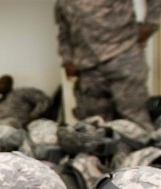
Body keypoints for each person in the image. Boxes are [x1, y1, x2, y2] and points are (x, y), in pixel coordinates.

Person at [55, 0, 160, 130]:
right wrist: (67, 59)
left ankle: (145, 150)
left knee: (134, 120)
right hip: (87, 67)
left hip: (124, 56)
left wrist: (150, 24)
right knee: (93, 126)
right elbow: (64, 29)